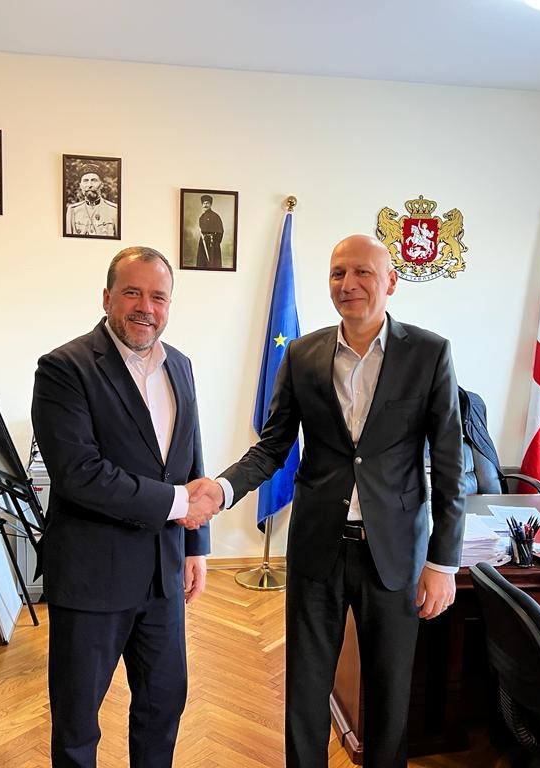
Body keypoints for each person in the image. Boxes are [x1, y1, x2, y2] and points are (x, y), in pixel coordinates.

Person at [189, 234, 466, 768]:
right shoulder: (302, 354)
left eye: (362, 272)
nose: (348, 284)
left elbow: (451, 467)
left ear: (391, 282)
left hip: (395, 554)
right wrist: (223, 488)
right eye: (338, 273)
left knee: (389, 695)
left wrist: (443, 562)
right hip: (318, 548)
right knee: (306, 688)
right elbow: (273, 446)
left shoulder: (429, 353)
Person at [31, 246, 218, 768]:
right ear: (107, 297)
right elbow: (80, 474)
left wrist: (196, 546)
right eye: (132, 292)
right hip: (92, 577)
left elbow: (189, 456)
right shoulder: (64, 368)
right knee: (77, 723)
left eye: (158, 296)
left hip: (163, 576)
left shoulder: (180, 365)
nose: (145, 307)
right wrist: (179, 503)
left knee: (163, 706)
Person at [65, 167, 118, 236]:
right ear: (80, 186)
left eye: (94, 180)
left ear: (102, 185)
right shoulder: (73, 210)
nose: (89, 185)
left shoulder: (114, 210)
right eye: (85, 181)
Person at [195, 194, 224, 268]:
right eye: (204, 203)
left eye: (207, 203)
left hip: (213, 243)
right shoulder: (201, 217)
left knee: (213, 263)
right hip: (203, 242)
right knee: (202, 263)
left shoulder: (216, 216)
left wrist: (215, 243)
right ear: (202, 205)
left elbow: (220, 231)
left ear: (210, 204)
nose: (205, 205)